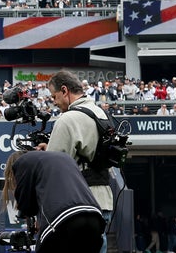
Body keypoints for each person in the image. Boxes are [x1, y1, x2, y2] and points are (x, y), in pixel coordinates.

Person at [41, 70, 115, 253]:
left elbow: (53, 166)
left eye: (55, 96)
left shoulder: (68, 119)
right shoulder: (101, 113)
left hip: (77, 205)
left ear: (65, 90)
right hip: (103, 200)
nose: (55, 102)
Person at [2, 150, 104, 253]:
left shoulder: (23, 162)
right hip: (95, 218)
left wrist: (31, 218)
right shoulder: (63, 157)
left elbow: (26, 206)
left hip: (64, 221)